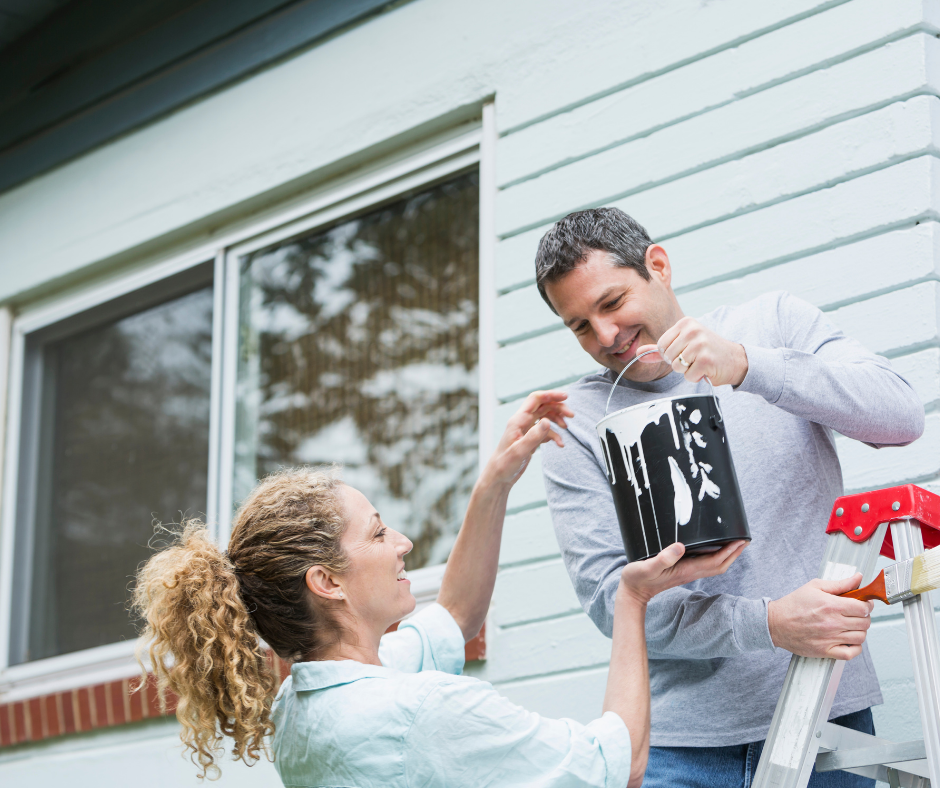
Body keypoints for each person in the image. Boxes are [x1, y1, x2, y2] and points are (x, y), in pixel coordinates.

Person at [133, 390, 746, 787]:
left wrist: (496, 481)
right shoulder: (419, 709)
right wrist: (631, 600)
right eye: (376, 535)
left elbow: (456, 612)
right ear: (325, 582)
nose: (401, 542)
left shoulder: (305, 707)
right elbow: (621, 765)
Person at [535, 207, 926, 788]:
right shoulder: (576, 421)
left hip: (825, 718)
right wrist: (767, 623)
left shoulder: (771, 324)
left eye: (613, 303)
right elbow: (608, 599)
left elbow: (900, 415)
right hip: (678, 750)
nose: (606, 337)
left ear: (658, 266)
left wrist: (749, 367)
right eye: (580, 326)